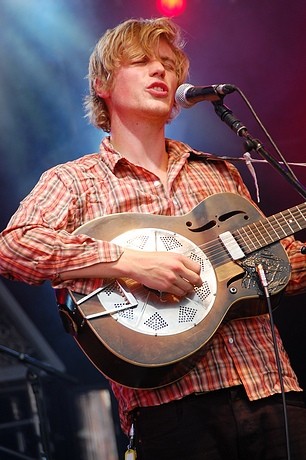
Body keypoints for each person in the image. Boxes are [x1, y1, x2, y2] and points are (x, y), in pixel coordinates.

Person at [1, 16, 306, 460]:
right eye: (142, 61)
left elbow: (288, 265)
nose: (160, 71)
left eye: (167, 63)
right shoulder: (75, 181)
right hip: (170, 414)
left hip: (272, 391)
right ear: (103, 84)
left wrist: (286, 268)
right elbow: (14, 247)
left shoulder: (218, 174)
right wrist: (129, 262)